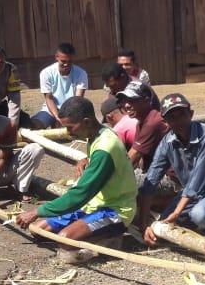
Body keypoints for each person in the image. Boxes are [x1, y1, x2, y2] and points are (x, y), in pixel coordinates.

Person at [16, 96, 137, 264]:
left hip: (115, 209)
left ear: (86, 121)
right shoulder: (96, 135)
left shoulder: (105, 147)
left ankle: (108, 240)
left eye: (70, 127)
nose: (68, 132)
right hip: (93, 205)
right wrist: (86, 159)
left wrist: (37, 211)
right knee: (38, 230)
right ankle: (93, 236)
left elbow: (80, 194)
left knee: (65, 240)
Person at [140, 94, 205, 243]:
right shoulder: (168, 142)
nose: (178, 121)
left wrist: (177, 212)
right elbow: (151, 179)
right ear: (165, 122)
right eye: (172, 117)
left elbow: (197, 181)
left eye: (182, 115)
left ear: (190, 114)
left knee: (199, 215)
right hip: (191, 195)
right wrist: (144, 223)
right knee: (163, 223)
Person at [32, 42, 88, 129]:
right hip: (50, 109)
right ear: (56, 57)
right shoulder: (46, 73)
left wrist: (67, 118)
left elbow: (78, 99)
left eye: (69, 61)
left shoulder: (81, 73)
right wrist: (57, 117)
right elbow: (49, 98)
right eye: (63, 61)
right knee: (34, 126)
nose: (66, 65)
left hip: (72, 110)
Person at [117, 81, 169, 171]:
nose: (126, 105)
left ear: (147, 100)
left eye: (132, 100)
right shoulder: (141, 122)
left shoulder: (152, 123)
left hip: (171, 176)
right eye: (125, 100)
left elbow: (132, 158)